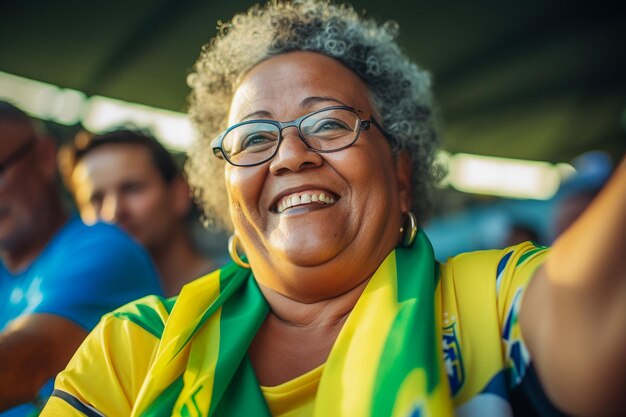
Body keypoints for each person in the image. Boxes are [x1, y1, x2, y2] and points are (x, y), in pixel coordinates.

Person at [42, 1, 626, 416]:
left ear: (401, 175)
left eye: (328, 123)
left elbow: (594, 320)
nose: (290, 156)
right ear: (225, 194)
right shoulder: (131, 348)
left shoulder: (490, 301)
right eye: (253, 138)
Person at [0, 102, 163, 415]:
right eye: (97, 197)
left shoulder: (107, 247)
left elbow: (25, 364)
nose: (115, 211)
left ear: (45, 157)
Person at [60, 129, 215, 296]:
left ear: (179, 194)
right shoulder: (80, 309)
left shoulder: (237, 288)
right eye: (96, 199)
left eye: (132, 189)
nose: (114, 212)